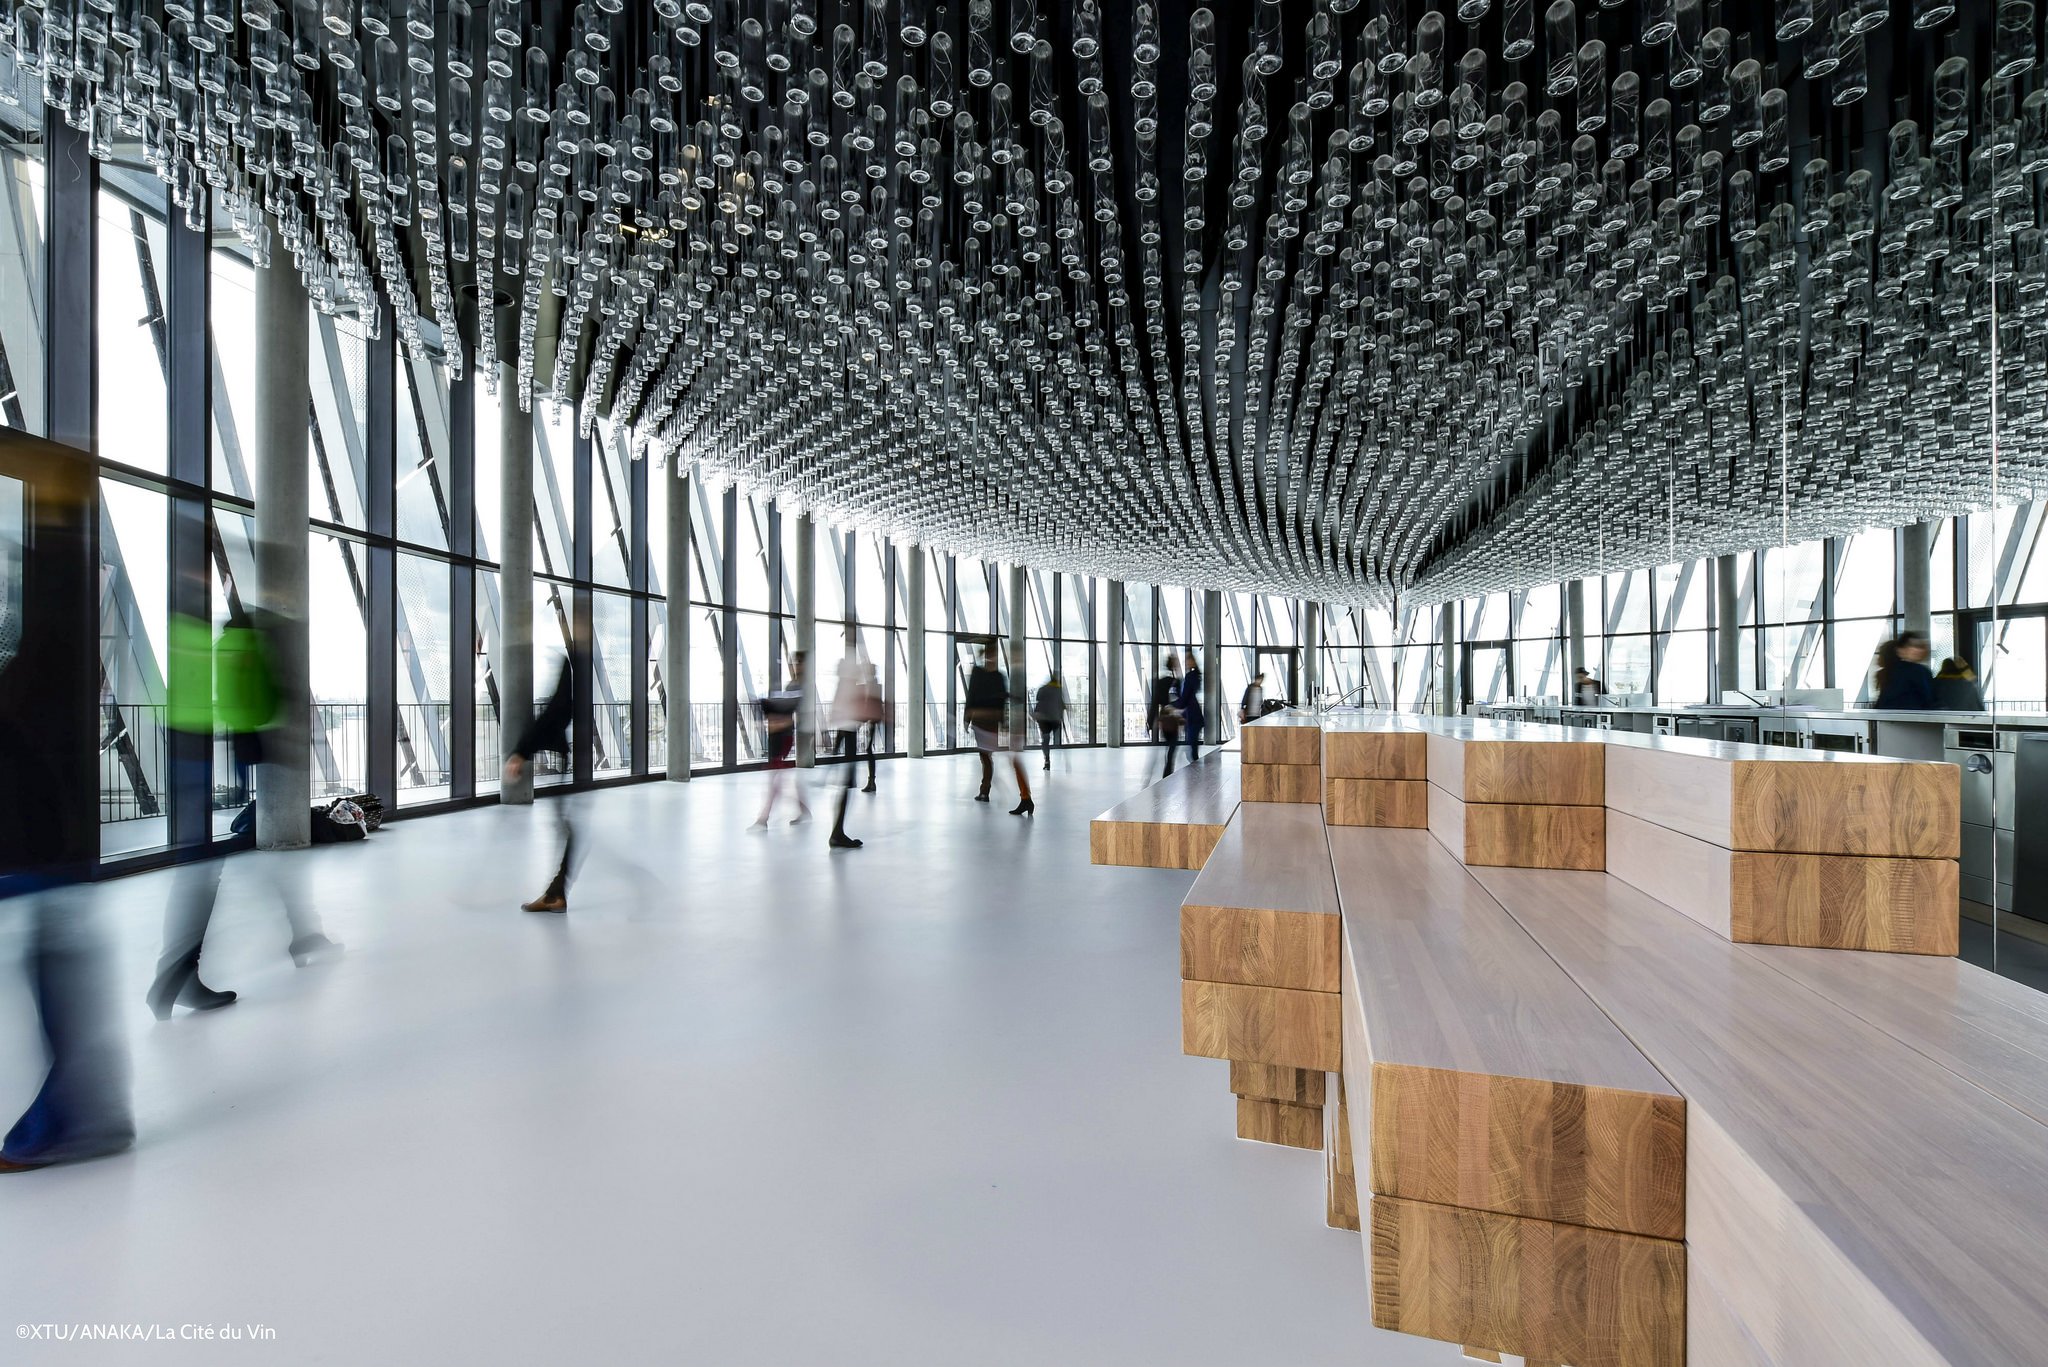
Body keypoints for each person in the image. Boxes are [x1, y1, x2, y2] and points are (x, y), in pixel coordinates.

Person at [505, 641, 584, 911]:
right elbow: (560, 711)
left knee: (569, 829)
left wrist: (522, 752)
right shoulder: (583, 664)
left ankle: (556, 894)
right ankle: (556, 892)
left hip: (575, 764)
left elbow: (557, 711)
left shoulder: (575, 663)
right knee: (568, 828)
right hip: (578, 761)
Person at [965, 644, 1032, 812]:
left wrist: (969, 718)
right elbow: (977, 695)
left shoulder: (991, 675)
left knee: (997, 758)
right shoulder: (991, 675)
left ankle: (1023, 798)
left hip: (987, 722)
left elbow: (976, 695)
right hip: (985, 722)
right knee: (995, 758)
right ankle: (1022, 798)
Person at [752, 651, 812, 830]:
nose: (796, 665)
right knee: (778, 779)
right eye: (795, 662)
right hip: (782, 735)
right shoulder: (793, 685)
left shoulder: (802, 686)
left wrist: (776, 723)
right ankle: (803, 809)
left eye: (799, 662)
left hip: (784, 735)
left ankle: (763, 819)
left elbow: (794, 715)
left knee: (775, 780)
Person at [824, 632, 867, 850]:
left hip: (845, 732)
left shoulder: (843, 683)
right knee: (846, 786)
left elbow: (837, 712)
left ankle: (837, 831)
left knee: (845, 787)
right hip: (849, 733)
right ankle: (837, 833)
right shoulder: (849, 683)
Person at [1874, 631, 1935, 710]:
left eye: (1920, 646)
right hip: (1914, 718)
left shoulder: (1888, 672)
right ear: (1900, 650)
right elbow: (1929, 699)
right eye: (1914, 646)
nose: (1919, 650)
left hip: (1888, 718)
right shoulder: (1919, 671)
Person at [1152, 655, 1185, 776]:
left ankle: (1167, 772)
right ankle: (1167, 773)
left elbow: (1155, 701)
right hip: (1173, 719)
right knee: (1172, 747)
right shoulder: (1176, 682)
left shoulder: (1161, 682)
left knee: (1170, 747)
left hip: (1164, 719)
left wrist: (1152, 721)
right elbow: (1179, 701)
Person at [1033, 672, 1068, 770]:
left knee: (1045, 739)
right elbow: (1062, 705)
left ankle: (1047, 759)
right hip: (1055, 719)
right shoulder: (1058, 690)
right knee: (1047, 736)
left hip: (1043, 718)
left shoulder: (1042, 689)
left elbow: (1038, 700)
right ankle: (1047, 754)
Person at [1177, 654, 1207, 769]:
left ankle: (1197, 770)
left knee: (1192, 744)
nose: (1186, 663)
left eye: (1187, 661)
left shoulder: (1190, 676)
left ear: (1192, 662)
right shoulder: (1195, 676)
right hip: (1193, 714)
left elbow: (1185, 696)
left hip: (1192, 715)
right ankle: (1196, 768)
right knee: (1192, 744)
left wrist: (1176, 706)